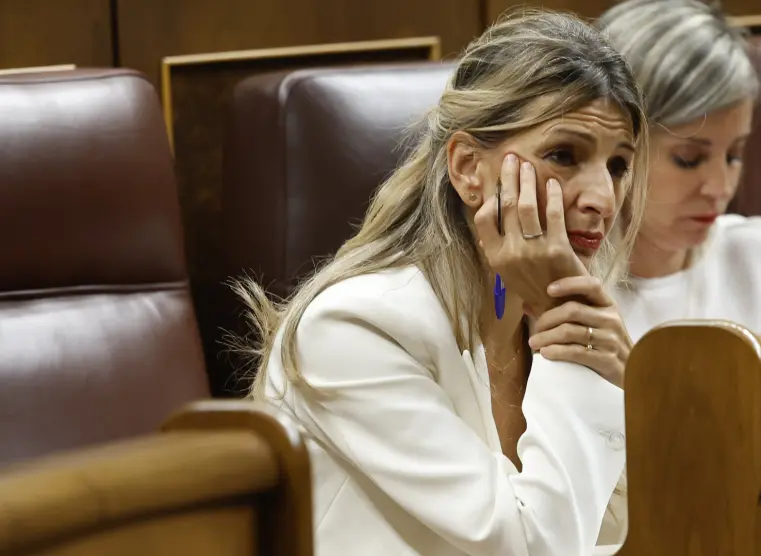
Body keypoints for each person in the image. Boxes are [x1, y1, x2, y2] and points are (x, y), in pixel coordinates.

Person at [234, 9, 649, 556]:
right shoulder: (357, 328)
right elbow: (532, 547)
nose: (601, 197)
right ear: (468, 168)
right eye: (564, 156)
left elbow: (622, 532)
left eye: (618, 166)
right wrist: (579, 356)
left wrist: (629, 386)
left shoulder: (566, 319)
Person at [598, 0, 761, 343]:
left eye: (734, 155)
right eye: (689, 159)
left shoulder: (759, 256)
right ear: (614, 152)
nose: (720, 188)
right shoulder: (564, 289)